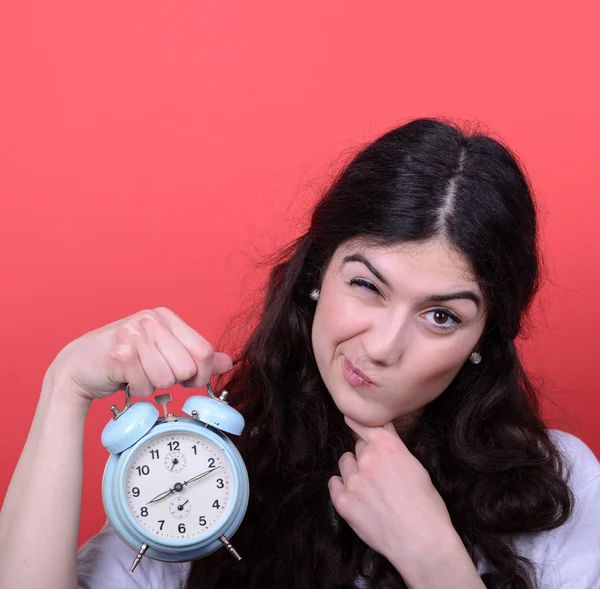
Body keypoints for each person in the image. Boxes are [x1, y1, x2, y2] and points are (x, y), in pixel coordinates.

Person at [1, 118, 599, 589]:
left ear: (482, 342)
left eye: (441, 316)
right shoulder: (211, 473)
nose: (383, 346)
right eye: (367, 286)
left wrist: (436, 562)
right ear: (317, 275)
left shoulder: (560, 487)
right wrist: (65, 388)